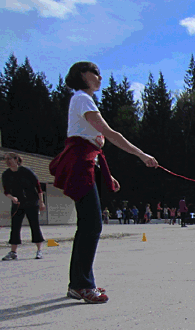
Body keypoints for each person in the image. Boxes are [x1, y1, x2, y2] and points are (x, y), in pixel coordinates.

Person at [50, 61, 158, 304]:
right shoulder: (81, 98)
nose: (100, 77)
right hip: (80, 164)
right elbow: (109, 134)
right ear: (81, 75)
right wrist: (142, 155)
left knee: (88, 226)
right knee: (92, 225)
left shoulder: (82, 100)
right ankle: (81, 285)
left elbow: (91, 142)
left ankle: (79, 283)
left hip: (86, 162)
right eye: (95, 73)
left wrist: (106, 175)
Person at [2, 152, 46, 261]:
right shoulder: (6, 174)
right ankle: (13, 252)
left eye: (9, 159)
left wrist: (41, 202)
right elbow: (6, 191)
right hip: (18, 205)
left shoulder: (27, 171)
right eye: (5, 159)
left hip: (32, 203)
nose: (7, 161)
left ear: (16, 159)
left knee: (34, 226)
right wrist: (12, 198)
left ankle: (39, 251)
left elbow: (38, 187)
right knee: (15, 227)